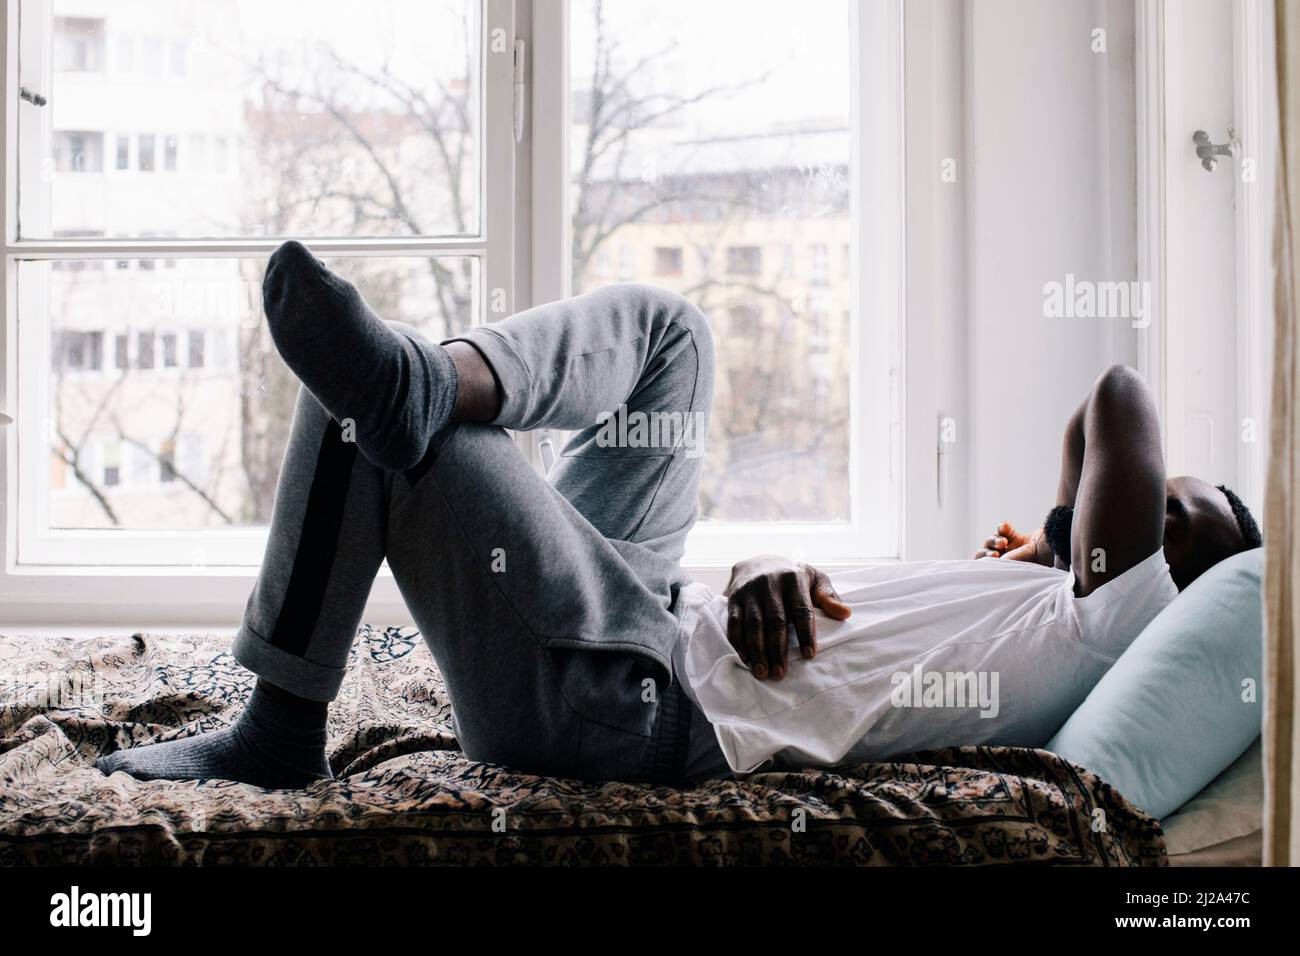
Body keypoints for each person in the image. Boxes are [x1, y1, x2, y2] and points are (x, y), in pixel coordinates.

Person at [95, 243, 1261, 788]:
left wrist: (1101, 528)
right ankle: (430, 377)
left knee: (363, 403)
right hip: (655, 619)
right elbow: (1084, 452)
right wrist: (769, 555)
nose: (1180, 495)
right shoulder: (1032, 598)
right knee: (671, 331)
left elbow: (1115, 399)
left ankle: (280, 724)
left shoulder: (1126, 621)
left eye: (1199, 511)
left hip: (630, 700)